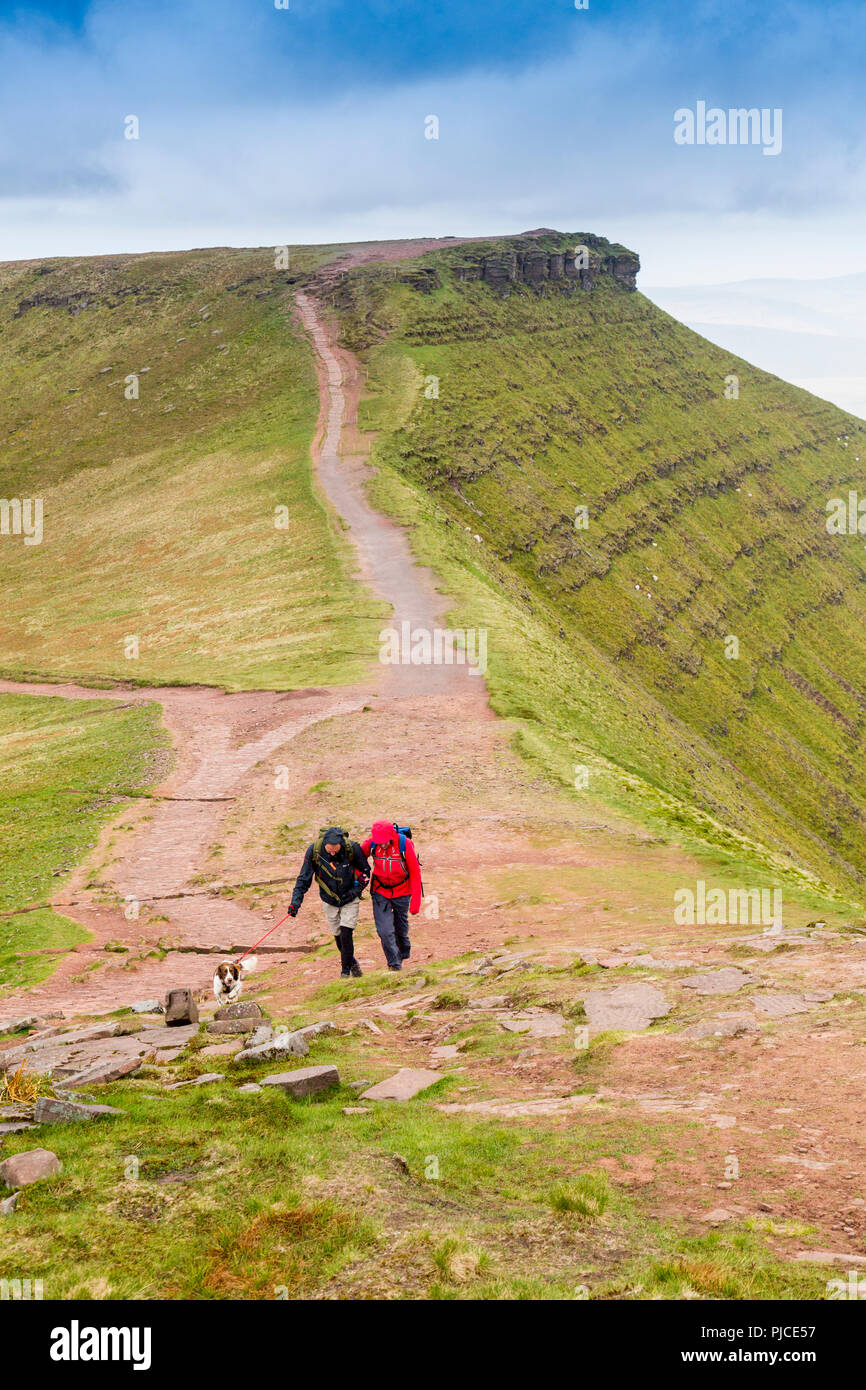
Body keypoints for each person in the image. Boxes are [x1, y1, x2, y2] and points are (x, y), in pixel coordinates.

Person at [287, 826, 369, 978]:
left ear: (341, 844)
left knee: (346, 932)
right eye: (330, 849)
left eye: (335, 849)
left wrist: (354, 892)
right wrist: (295, 903)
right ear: (324, 843)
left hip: (350, 898)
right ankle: (353, 965)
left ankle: (345, 973)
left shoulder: (352, 848)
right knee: (338, 936)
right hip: (329, 899)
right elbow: (303, 879)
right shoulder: (314, 851)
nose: (332, 852)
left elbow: (365, 872)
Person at [361, 820, 422, 971]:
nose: (382, 845)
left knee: (401, 929)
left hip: (402, 891)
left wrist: (415, 903)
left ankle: (403, 950)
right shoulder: (372, 844)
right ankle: (394, 965)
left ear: (391, 836)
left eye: (384, 842)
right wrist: (360, 878)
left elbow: (415, 873)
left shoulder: (404, 844)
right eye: (379, 842)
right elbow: (358, 860)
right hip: (380, 891)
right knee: (385, 931)